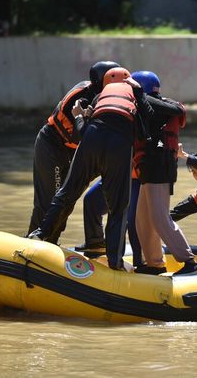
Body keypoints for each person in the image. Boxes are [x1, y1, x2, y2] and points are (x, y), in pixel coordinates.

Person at [29, 67, 154, 271]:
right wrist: (140, 94)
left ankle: (41, 235)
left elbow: (84, 131)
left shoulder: (99, 97)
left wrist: (81, 117)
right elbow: (145, 124)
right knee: (118, 207)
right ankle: (115, 261)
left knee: (67, 193)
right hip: (104, 146)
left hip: (90, 142)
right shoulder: (134, 96)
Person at [26, 61, 120, 242]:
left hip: (76, 151)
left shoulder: (106, 98)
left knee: (67, 202)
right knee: (50, 201)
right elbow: (81, 135)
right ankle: (30, 243)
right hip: (53, 145)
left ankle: (50, 242)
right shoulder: (81, 98)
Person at [131, 71, 197, 276]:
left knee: (159, 217)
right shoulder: (143, 107)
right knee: (142, 219)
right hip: (148, 168)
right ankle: (155, 264)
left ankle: (191, 262)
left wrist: (138, 95)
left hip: (159, 166)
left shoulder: (161, 107)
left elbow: (171, 111)